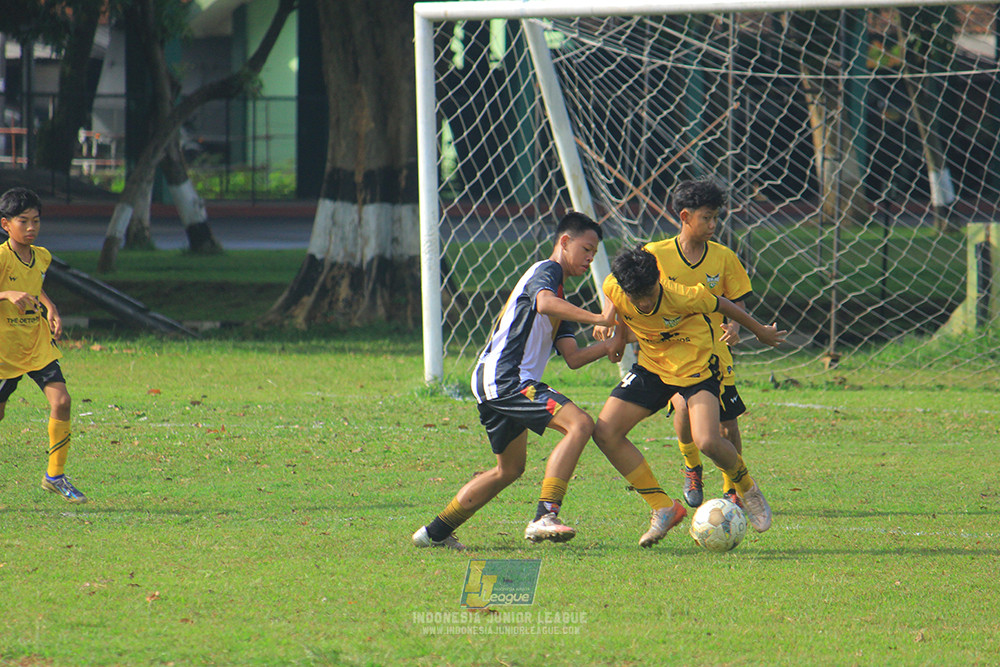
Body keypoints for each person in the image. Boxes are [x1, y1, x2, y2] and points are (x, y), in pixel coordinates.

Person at [412, 212, 615, 550]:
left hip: (498, 380)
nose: (590, 258)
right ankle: (545, 516)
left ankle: (434, 533)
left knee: (508, 469)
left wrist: (614, 342)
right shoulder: (547, 271)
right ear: (565, 242)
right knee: (579, 424)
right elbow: (544, 302)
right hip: (507, 377)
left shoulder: (559, 297)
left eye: (594, 253)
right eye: (586, 249)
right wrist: (600, 317)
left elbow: (574, 357)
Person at [593, 245, 784, 542]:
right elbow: (616, 302)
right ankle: (663, 507)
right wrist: (617, 335)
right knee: (605, 432)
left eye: (649, 294)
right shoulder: (615, 286)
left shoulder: (685, 295)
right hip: (652, 367)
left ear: (658, 280)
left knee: (707, 441)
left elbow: (724, 304)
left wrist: (759, 330)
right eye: (636, 297)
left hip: (696, 367)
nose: (644, 303)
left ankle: (748, 488)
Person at [645, 178, 753, 509]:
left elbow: (737, 299)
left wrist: (735, 325)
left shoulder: (723, 257)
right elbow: (625, 287)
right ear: (685, 216)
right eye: (706, 218)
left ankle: (732, 488)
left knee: (727, 424)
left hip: (716, 352)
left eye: (716, 217)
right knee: (681, 408)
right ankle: (692, 466)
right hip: (674, 351)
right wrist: (608, 322)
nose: (713, 225)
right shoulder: (655, 254)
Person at [0, 187, 87, 503]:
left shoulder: (42, 256)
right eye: (23, 221)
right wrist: (6, 294)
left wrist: (50, 307)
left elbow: (34, 287)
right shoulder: (1, 258)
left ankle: (55, 475)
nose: (31, 227)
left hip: (36, 344)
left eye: (36, 221)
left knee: (62, 401)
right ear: (5, 224)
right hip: (5, 350)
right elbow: (13, 289)